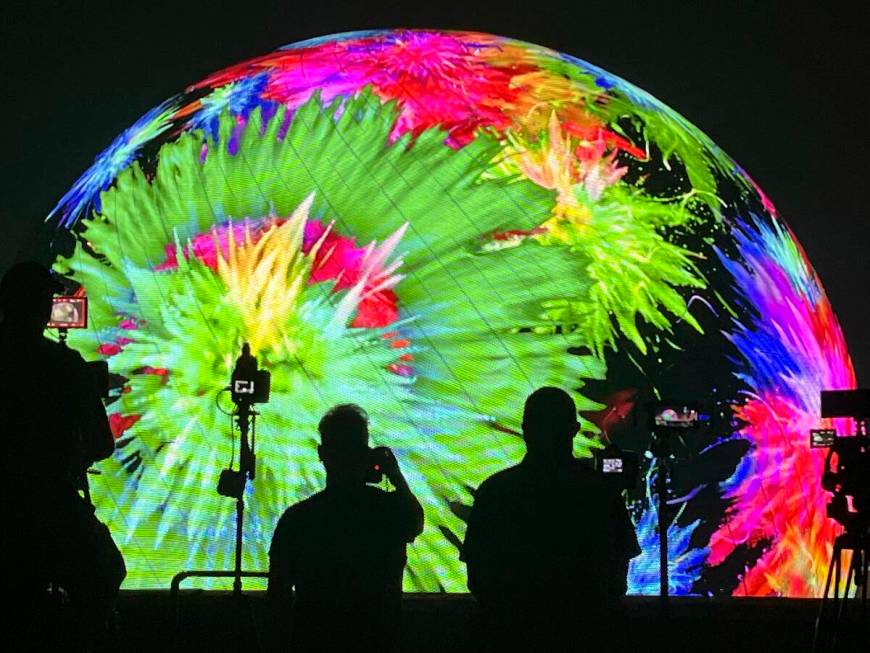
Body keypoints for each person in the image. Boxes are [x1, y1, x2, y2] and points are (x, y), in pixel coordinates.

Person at [0, 261, 125, 651]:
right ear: (43, 308)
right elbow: (103, 444)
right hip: (49, 507)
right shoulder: (65, 366)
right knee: (105, 572)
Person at [462, 387, 641, 652]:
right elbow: (617, 573)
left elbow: (479, 577)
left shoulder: (495, 491)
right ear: (574, 429)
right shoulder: (600, 492)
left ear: (525, 429)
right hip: (588, 635)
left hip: (511, 636)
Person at [268, 404, 424, 652]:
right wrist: (394, 474)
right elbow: (415, 523)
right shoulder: (387, 510)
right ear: (367, 453)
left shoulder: (298, 518)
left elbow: (278, 595)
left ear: (322, 453)